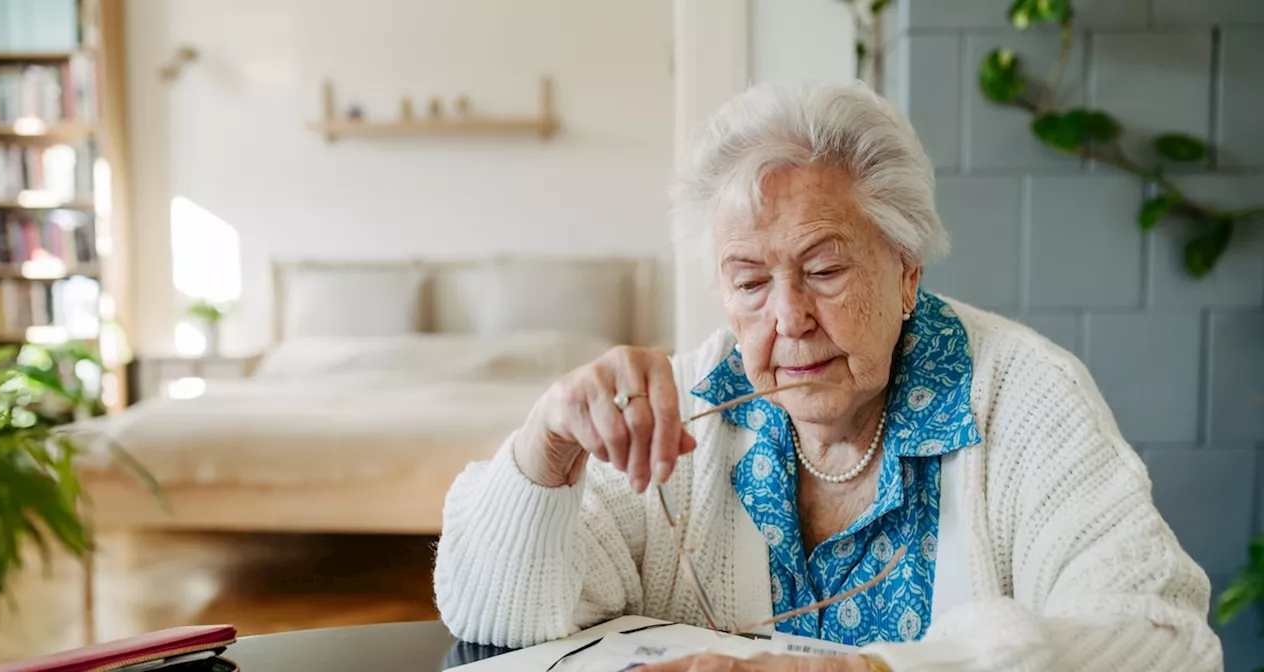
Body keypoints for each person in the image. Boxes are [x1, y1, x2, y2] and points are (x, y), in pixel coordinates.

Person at [431, 81, 1222, 671]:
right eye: (748, 282)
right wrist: (546, 449)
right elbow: (498, 616)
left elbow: (1165, 639)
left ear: (907, 272)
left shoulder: (1023, 397)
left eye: (824, 268)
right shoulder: (689, 409)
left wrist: (880, 671)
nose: (788, 317)